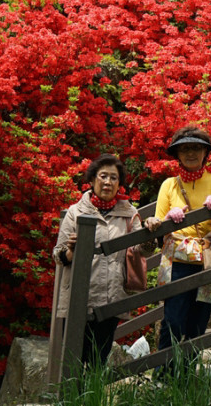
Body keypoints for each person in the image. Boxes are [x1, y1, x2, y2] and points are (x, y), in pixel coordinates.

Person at [54, 153, 151, 367]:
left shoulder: (129, 213)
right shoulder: (76, 212)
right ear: (92, 180)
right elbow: (58, 254)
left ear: (119, 184)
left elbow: (140, 250)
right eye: (103, 176)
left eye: (113, 178)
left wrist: (150, 235)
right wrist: (71, 251)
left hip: (111, 296)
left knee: (98, 358)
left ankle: (92, 391)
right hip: (78, 295)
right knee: (73, 359)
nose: (108, 182)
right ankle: (73, 391)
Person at [144, 126, 211, 352]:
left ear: (206, 153)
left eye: (196, 148)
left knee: (199, 321)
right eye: (184, 149)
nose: (190, 153)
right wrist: (168, 220)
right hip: (177, 260)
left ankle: (188, 369)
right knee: (172, 319)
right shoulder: (169, 185)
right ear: (177, 155)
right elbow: (158, 223)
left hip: (207, 258)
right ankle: (164, 368)